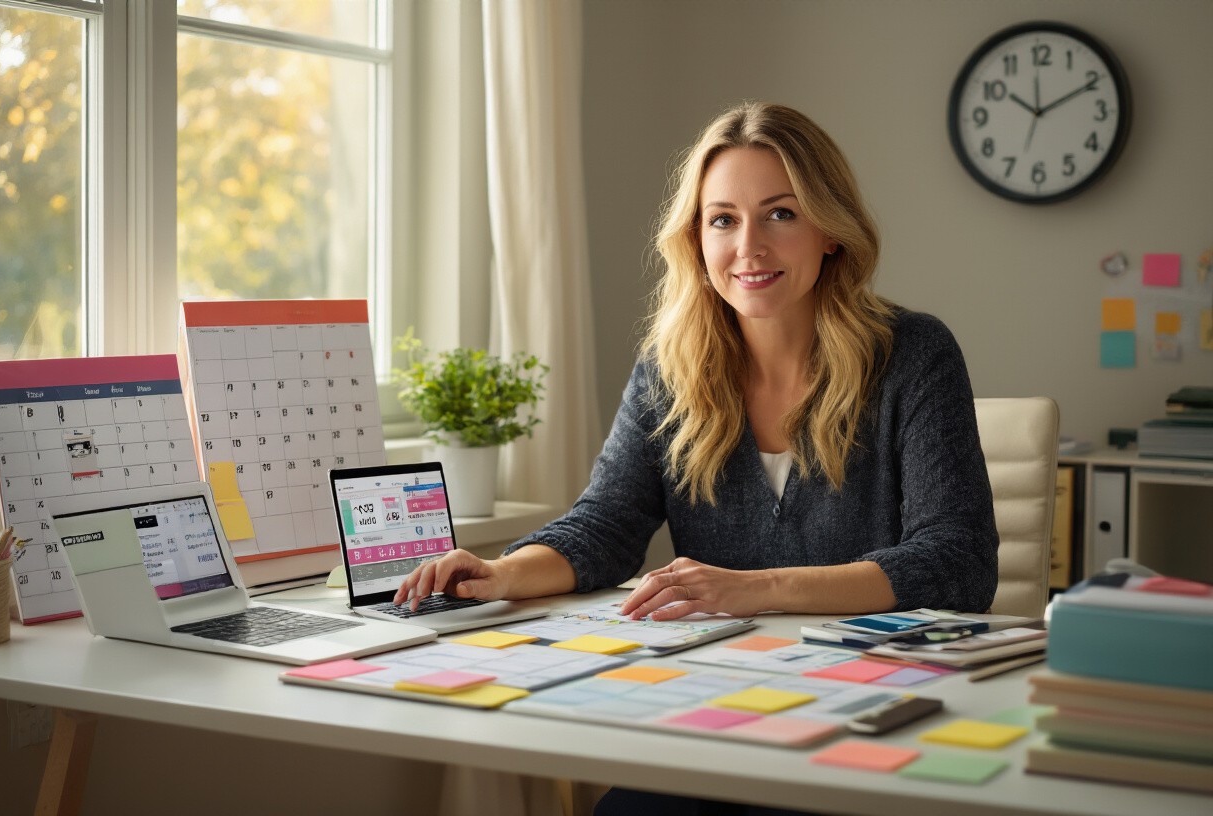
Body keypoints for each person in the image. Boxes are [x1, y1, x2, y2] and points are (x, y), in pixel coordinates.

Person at [394, 100, 998, 816]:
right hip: (724, 711)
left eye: (781, 213)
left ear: (830, 231)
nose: (750, 246)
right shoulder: (670, 369)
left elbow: (959, 561)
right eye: (723, 219)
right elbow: (605, 526)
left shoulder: (914, 356)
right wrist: (501, 573)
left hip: (871, 716)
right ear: (696, 238)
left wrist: (757, 587)